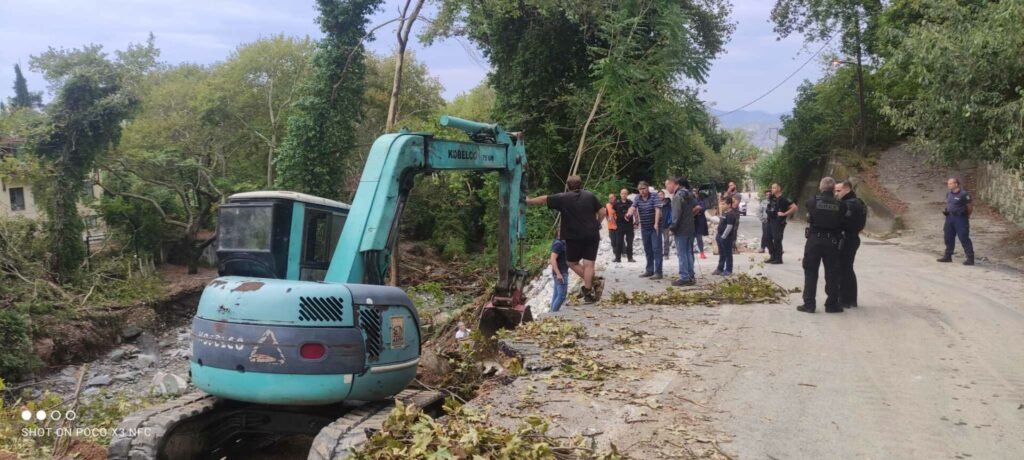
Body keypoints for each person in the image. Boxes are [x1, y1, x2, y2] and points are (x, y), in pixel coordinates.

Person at [526, 175, 606, 303]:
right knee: (589, 264)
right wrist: (597, 224)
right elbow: (603, 211)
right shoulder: (590, 195)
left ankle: (592, 284)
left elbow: (543, 199)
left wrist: (528, 201)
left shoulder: (563, 198)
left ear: (567, 186)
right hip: (592, 234)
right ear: (581, 184)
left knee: (572, 263)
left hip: (573, 236)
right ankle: (588, 291)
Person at [797, 177, 847, 313]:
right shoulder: (841, 205)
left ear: (820, 187)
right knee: (832, 274)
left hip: (814, 241)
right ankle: (831, 305)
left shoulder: (812, 202)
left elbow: (809, 211)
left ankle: (809, 304)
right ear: (833, 189)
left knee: (810, 272)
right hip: (832, 242)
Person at [835, 180, 866, 308]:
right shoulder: (859, 202)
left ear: (847, 189)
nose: (836, 194)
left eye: (838, 190)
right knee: (848, 268)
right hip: (853, 238)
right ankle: (851, 299)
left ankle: (845, 300)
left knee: (843, 269)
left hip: (846, 238)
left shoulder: (848, 204)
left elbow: (842, 222)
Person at [667, 177, 698, 286]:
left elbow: (676, 215)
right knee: (688, 252)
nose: (667, 188)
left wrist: (672, 228)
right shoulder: (688, 194)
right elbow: (696, 207)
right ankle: (690, 275)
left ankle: (684, 277)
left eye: (667, 186)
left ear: (672, 184)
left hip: (681, 229)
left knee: (682, 254)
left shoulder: (677, 196)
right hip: (690, 228)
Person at [937, 177, 975, 265]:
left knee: (963, 237)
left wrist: (967, 216)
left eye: (950, 183)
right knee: (948, 237)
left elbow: (970, 207)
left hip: (960, 219)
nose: (948, 185)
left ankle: (970, 258)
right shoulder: (948, 194)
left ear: (956, 184)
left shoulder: (964, 194)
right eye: (948, 183)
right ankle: (948, 256)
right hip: (950, 218)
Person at [629, 181, 663, 279]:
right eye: (640, 189)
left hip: (654, 227)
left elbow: (657, 210)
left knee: (656, 249)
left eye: (644, 188)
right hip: (644, 227)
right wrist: (629, 214)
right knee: (648, 249)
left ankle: (658, 272)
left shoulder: (654, 196)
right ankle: (649, 270)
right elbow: (633, 207)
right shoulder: (637, 198)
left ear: (648, 188)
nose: (642, 191)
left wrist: (656, 224)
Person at [766, 182, 797, 264]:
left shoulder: (784, 198)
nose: (772, 189)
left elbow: (794, 207)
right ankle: (773, 255)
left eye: (774, 188)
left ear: (779, 188)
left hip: (778, 222)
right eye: (772, 188)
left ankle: (778, 258)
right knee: (767, 239)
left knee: (777, 239)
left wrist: (785, 214)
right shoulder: (772, 198)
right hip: (770, 220)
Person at [713, 196, 739, 275]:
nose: (722, 205)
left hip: (726, 238)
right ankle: (720, 269)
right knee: (722, 254)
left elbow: (729, 227)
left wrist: (723, 236)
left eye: (724, 204)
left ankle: (728, 270)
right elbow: (721, 223)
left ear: (729, 205)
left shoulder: (731, 214)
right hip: (720, 236)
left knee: (728, 254)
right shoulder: (725, 213)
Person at [612, 189, 635, 263]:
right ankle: (617, 258)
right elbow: (612, 213)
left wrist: (637, 221)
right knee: (619, 242)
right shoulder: (616, 203)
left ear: (627, 194)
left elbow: (635, 212)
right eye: (622, 193)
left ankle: (630, 258)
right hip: (620, 225)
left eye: (625, 193)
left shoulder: (631, 203)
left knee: (630, 242)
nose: (624, 195)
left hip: (629, 225)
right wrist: (614, 222)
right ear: (620, 194)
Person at [549, 233, 570, 312]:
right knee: (561, 296)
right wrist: (558, 274)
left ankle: (551, 314)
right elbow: (552, 259)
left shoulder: (561, 242)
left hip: (561, 272)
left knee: (556, 294)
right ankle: (552, 314)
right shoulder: (558, 244)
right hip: (561, 273)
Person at [694, 191, 709, 259]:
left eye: (695, 193)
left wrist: (696, 210)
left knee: (699, 238)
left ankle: (702, 253)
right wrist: (697, 209)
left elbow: (703, 208)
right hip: (691, 222)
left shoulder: (701, 200)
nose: (694, 194)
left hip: (699, 221)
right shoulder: (690, 201)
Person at [606, 193, 619, 262]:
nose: (611, 199)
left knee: (619, 240)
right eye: (610, 198)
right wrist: (608, 219)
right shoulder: (607, 205)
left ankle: (621, 253)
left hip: (618, 226)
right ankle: (616, 255)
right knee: (613, 241)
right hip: (610, 226)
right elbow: (606, 214)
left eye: (612, 197)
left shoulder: (618, 204)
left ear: (615, 198)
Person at [659, 190, 673, 258]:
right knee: (658, 240)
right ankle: (659, 253)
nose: (660, 196)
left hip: (666, 224)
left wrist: (670, 223)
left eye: (661, 194)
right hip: (658, 224)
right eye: (659, 195)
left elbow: (671, 213)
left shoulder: (668, 203)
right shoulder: (655, 203)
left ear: (664, 195)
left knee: (666, 240)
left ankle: (666, 254)